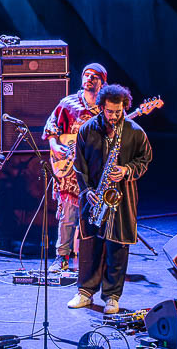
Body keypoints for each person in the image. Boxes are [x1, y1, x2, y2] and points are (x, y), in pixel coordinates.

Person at [67, 84, 152, 315]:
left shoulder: (135, 131)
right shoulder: (87, 129)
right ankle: (85, 292)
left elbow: (145, 159)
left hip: (122, 199)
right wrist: (87, 190)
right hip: (94, 197)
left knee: (117, 248)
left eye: (118, 112)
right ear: (101, 107)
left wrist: (126, 170)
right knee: (89, 247)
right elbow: (79, 165)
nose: (113, 117)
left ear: (125, 107)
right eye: (109, 112)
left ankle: (112, 296)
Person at [41, 63, 107, 272]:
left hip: (95, 171)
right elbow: (51, 126)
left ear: (102, 82)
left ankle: (90, 259)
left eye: (94, 76)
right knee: (68, 216)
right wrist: (55, 146)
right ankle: (62, 257)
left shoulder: (107, 107)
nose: (89, 79)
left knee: (95, 216)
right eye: (86, 75)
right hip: (70, 172)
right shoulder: (69, 104)